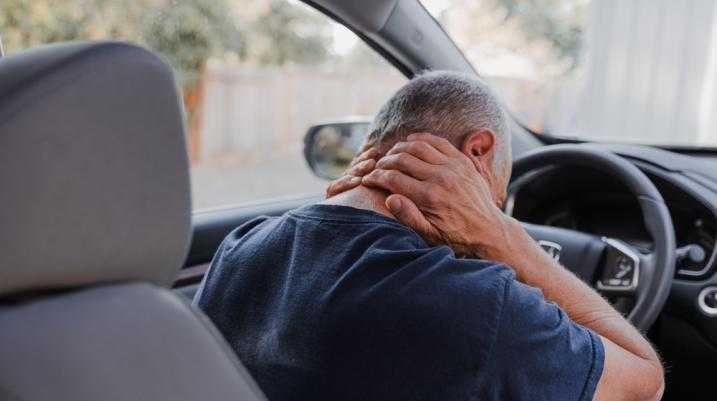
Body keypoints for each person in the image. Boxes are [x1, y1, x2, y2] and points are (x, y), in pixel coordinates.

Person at [195, 71, 664, 401]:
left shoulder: (243, 248)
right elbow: (644, 384)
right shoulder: (477, 304)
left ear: (370, 150)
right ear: (477, 152)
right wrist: (502, 238)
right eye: (494, 199)